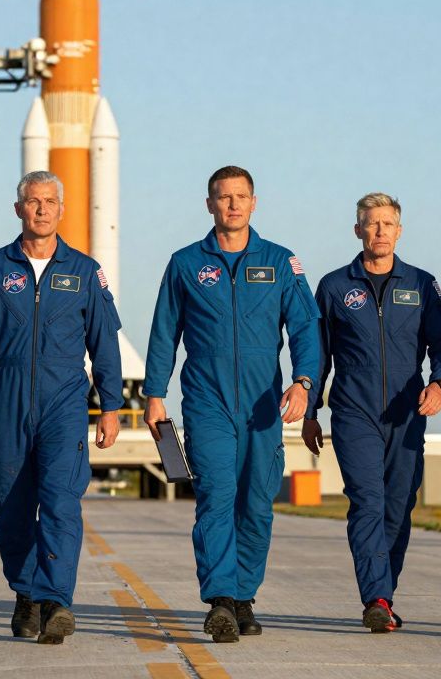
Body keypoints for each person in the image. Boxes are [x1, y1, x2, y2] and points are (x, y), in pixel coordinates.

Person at [143, 165, 320, 643]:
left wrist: (304, 384)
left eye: (241, 196)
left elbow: (306, 330)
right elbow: (165, 334)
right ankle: (220, 600)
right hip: (207, 401)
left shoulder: (281, 262)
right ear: (209, 204)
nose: (233, 205)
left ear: (254, 202)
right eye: (224, 197)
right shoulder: (185, 264)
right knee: (216, 498)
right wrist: (155, 395)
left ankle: (244, 596)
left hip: (265, 405)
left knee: (257, 505)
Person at [0, 170, 124, 645]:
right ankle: (26, 592)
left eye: (50, 201)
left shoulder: (85, 271)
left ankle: (56, 601)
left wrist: (110, 406)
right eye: (33, 201)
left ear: (61, 209)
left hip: (65, 398)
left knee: (61, 502)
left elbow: (104, 343)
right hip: (4, 396)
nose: (42, 209)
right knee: (10, 507)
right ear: (19, 209)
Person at [302, 193, 441, 632]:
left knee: (398, 505)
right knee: (367, 502)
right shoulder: (334, 287)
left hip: (408, 414)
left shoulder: (422, 284)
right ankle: (375, 596)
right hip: (355, 412)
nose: (379, 231)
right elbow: (318, 354)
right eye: (371, 224)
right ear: (357, 230)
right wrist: (312, 408)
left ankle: (384, 596)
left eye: (387, 223)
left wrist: (440, 382)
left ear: (399, 230)